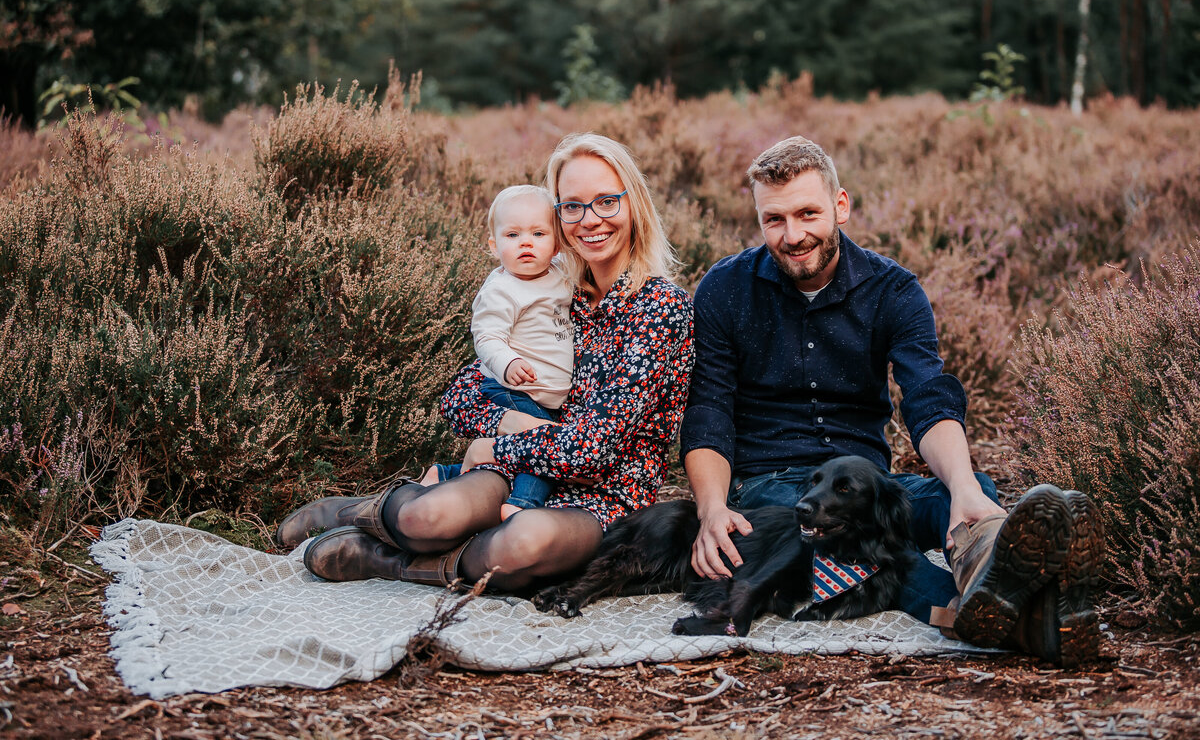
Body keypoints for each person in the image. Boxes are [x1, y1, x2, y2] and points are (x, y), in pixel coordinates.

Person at [681, 135, 1103, 667]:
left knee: (967, 494)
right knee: (881, 552)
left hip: (862, 483)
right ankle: (994, 615)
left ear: (841, 206)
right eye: (774, 220)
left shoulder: (893, 290)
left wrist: (964, 488)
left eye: (808, 213)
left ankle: (1001, 575)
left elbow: (927, 396)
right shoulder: (725, 288)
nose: (793, 236)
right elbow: (709, 411)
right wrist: (712, 508)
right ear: (759, 218)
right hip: (771, 486)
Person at [275, 133, 695, 594]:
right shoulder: (553, 295)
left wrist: (498, 446)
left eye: (606, 202)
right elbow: (459, 396)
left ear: (633, 204)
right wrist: (512, 421)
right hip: (526, 468)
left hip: (602, 498)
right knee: (428, 515)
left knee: (522, 543)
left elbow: (592, 452)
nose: (589, 220)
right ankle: (359, 511)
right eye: (571, 206)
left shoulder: (659, 308)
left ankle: (390, 561)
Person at [417, 184, 573, 520]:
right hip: (513, 388)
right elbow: (486, 337)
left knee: (531, 447)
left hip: (546, 395)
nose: (526, 242)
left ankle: (446, 474)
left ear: (557, 244)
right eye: (513, 235)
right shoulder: (502, 289)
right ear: (494, 245)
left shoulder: (561, 274)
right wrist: (509, 362)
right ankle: (522, 506)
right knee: (543, 446)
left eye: (538, 233)